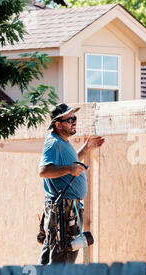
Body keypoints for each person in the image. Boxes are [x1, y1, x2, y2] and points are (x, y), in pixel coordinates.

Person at [37, 103, 105, 264]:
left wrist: (85, 149)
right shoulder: (54, 143)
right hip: (63, 210)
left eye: (75, 118)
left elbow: (71, 166)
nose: (74, 122)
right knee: (63, 254)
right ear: (58, 124)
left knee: (56, 252)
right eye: (69, 119)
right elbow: (43, 171)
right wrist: (69, 169)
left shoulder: (63, 142)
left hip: (68, 209)